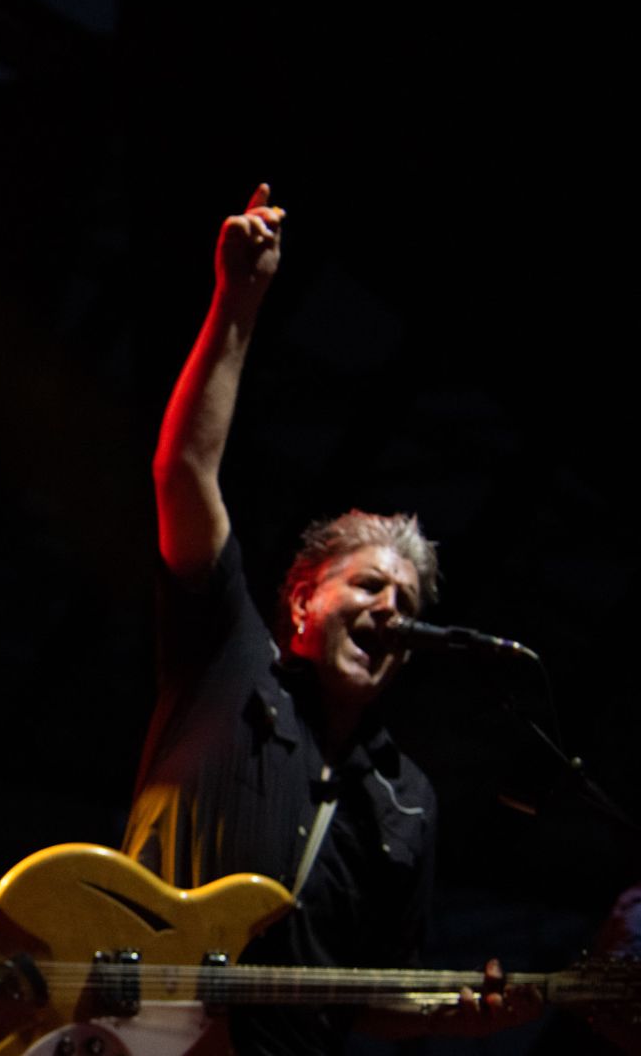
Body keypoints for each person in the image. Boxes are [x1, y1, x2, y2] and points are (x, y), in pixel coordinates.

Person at [122, 185, 533, 1053]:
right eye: (368, 587)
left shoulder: (408, 803)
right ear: (304, 599)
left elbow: (375, 995)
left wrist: (471, 1016)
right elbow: (185, 471)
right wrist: (237, 300)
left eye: (409, 605)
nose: (392, 609)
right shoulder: (228, 660)